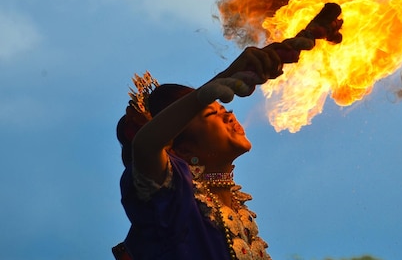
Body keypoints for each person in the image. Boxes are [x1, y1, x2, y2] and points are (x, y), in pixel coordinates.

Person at [113, 41, 310, 260]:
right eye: (211, 114)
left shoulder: (234, 208)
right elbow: (146, 146)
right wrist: (217, 82)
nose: (229, 115)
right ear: (183, 151)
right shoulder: (173, 198)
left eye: (226, 108)